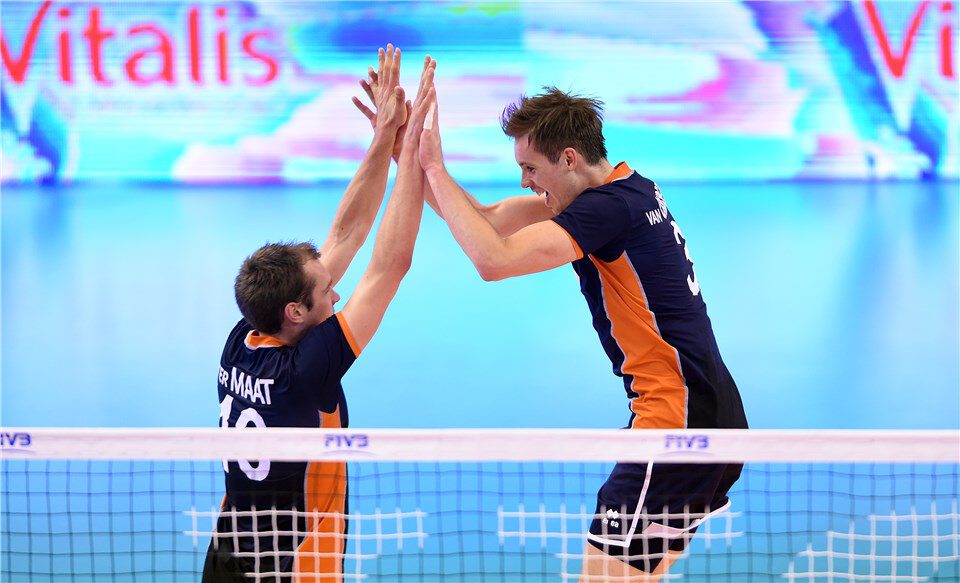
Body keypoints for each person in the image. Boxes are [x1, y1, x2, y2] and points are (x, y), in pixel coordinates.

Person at [413, 86, 748, 581]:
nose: (525, 182)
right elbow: (486, 221)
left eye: (531, 168)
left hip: (673, 420)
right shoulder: (631, 189)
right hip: (713, 410)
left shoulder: (605, 211)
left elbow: (493, 260)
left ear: (568, 158)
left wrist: (435, 167)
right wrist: (407, 152)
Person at [202, 46, 436, 583]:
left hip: (227, 553)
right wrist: (412, 154)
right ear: (295, 312)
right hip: (297, 567)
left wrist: (382, 136)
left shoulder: (244, 336)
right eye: (327, 293)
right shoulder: (306, 372)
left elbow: (346, 234)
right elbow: (390, 266)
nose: (337, 294)